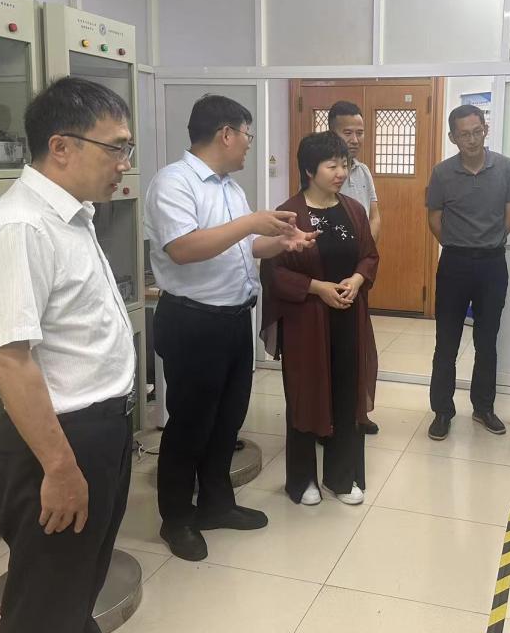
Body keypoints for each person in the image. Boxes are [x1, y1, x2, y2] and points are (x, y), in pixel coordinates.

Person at [0, 77, 137, 633]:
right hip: (58, 441)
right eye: (115, 147)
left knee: (75, 587)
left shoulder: (71, 217)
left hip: (98, 430)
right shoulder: (20, 226)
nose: (124, 164)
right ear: (61, 146)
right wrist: (60, 469)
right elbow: (10, 362)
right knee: (46, 605)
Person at [145, 95, 316, 561]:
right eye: (247, 135)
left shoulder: (229, 188)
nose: (248, 145)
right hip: (193, 321)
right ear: (226, 134)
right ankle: (176, 518)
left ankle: (216, 503)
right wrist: (249, 224)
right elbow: (183, 248)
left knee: (227, 420)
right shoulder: (173, 183)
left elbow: (243, 246)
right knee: (190, 425)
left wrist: (280, 242)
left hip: (234, 318)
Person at [261, 132, 379, 505]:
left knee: (346, 393)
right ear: (310, 170)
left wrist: (357, 279)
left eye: (344, 165)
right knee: (305, 395)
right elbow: (274, 273)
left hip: (348, 316)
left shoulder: (353, 210)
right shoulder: (289, 213)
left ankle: (341, 478)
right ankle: (302, 480)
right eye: (332, 166)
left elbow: (369, 254)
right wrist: (316, 287)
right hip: (306, 321)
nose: (341, 172)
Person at [425, 104, 510, 441]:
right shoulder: (442, 173)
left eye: (477, 131)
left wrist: (488, 241)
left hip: (492, 265)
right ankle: (442, 411)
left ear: (486, 129)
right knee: (446, 342)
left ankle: (483, 408)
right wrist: (458, 244)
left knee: (487, 341)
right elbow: (434, 218)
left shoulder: (506, 168)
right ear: (453, 137)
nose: (471, 139)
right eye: (464, 134)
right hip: (454, 265)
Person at [328, 100, 381, 436]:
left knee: (360, 346)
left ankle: (358, 412)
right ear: (331, 130)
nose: (355, 139)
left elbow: (375, 215)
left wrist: (364, 253)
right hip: (330, 273)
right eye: (348, 132)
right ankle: (329, 418)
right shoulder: (321, 170)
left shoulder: (362, 171)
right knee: (331, 349)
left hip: (359, 270)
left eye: (360, 132)